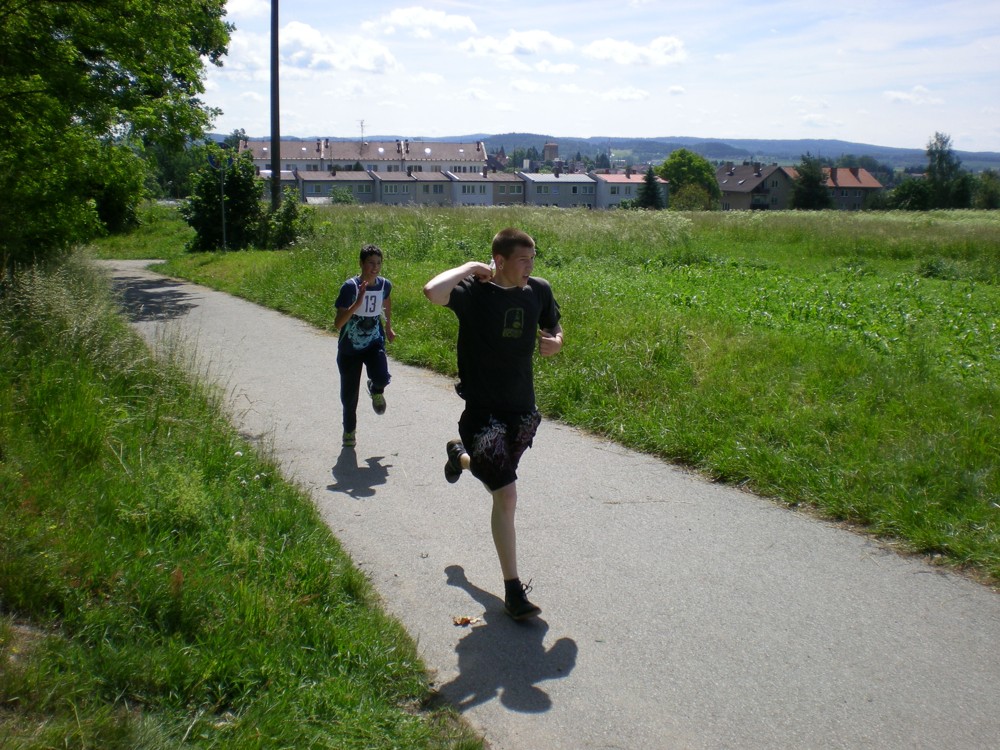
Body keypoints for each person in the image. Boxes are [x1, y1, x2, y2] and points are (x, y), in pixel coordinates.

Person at [423, 228, 563, 621]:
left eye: (533, 259)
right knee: (507, 495)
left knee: (496, 483)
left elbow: (553, 327)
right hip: (482, 414)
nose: (530, 267)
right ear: (499, 260)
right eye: (523, 260)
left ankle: (460, 458)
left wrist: (556, 341)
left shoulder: (538, 290)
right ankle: (513, 591)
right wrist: (470, 267)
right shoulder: (474, 292)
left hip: (522, 412)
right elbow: (432, 292)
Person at [334, 244, 395, 447]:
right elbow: (338, 324)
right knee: (349, 396)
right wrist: (357, 303)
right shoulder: (349, 287)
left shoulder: (384, 284)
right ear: (361, 263)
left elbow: (386, 301)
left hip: (373, 343)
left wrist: (388, 326)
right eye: (370, 263)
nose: (375, 267)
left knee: (382, 377)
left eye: (378, 263)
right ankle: (349, 430)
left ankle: (375, 389)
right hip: (349, 349)